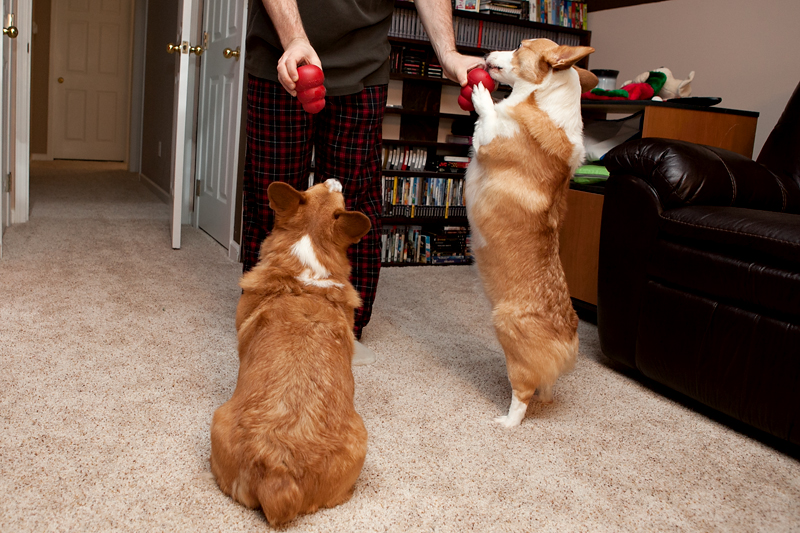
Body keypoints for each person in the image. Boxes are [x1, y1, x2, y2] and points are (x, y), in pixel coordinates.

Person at [243, 0, 483, 364]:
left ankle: (343, 327)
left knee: (352, 207)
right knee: (272, 200)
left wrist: (448, 53)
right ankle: (264, 321)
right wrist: (294, 38)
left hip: (363, 69)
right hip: (280, 59)